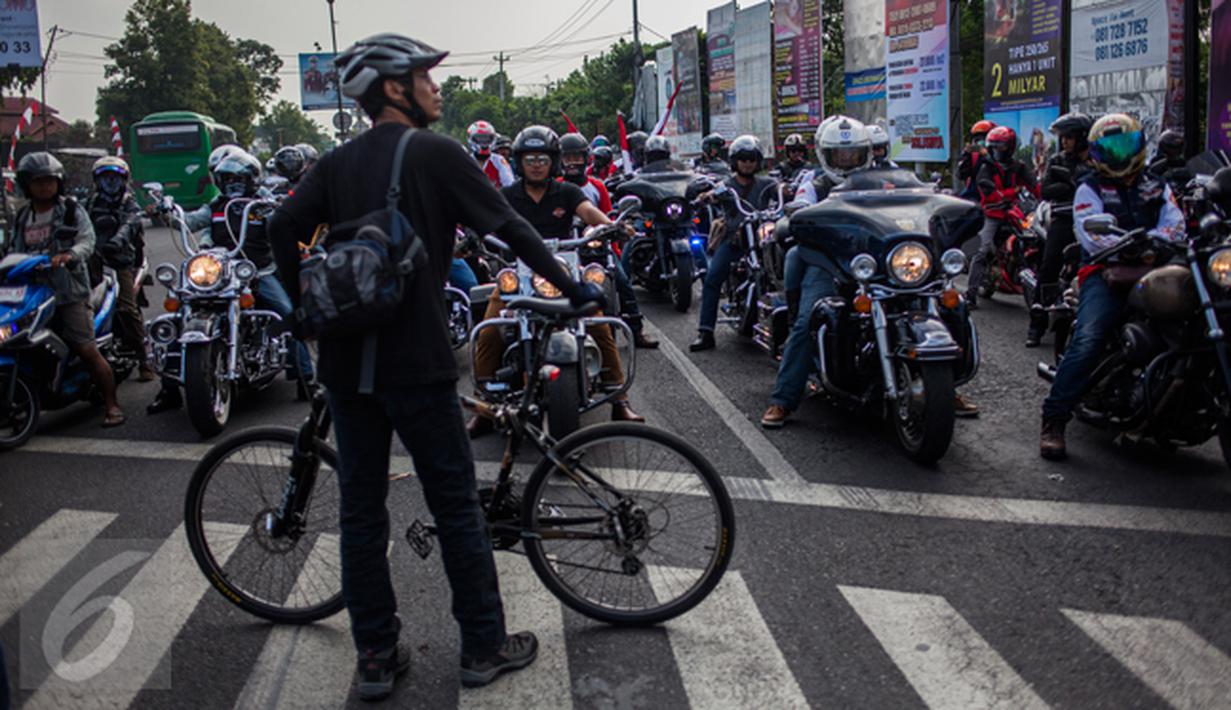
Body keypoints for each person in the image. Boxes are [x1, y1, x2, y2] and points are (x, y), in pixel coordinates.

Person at [270, 34, 604, 700]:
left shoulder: (334, 163)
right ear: (394, 89)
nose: (436, 88)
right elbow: (509, 227)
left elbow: (282, 229)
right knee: (454, 507)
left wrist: (302, 309)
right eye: (425, 78)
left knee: (361, 514)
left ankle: (374, 657)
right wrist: (571, 288)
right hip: (417, 362)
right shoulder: (436, 153)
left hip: (346, 367)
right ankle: (482, 646)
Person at [470, 124, 645, 435]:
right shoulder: (507, 195)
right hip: (520, 273)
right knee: (490, 329)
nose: (536, 165)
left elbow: (588, 211)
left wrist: (612, 226)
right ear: (519, 162)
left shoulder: (567, 192)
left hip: (563, 271)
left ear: (553, 161)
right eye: (530, 159)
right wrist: (472, 233)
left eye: (542, 159)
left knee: (599, 322)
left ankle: (619, 399)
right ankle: (483, 406)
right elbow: (485, 218)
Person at [1039, 113, 1185, 460]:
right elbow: (1091, 233)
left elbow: (1175, 224)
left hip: (1159, 269)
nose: (1119, 155)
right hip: (1106, 272)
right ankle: (1054, 419)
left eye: (1125, 146)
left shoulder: (1157, 185)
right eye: (1111, 148)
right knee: (1090, 336)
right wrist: (1136, 245)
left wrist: (1157, 242)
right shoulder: (1089, 188)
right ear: (1097, 153)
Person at [148, 149, 316, 413]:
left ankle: (306, 378)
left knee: (286, 312)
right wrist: (168, 213)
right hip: (219, 272)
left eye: (239, 179)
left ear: (252, 179)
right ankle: (169, 388)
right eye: (227, 179)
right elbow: (191, 221)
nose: (233, 184)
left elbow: (284, 222)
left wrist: (283, 211)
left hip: (258, 270)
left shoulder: (263, 202)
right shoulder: (216, 206)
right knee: (178, 315)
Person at [761, 117, 873, 427]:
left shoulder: (877, 181)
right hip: (829, 263)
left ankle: (946, 386)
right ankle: (783, 399)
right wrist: (797, 212)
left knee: (927, 302)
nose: (847, 161)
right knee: (807, 321)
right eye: (840, 155)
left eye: (853, 154)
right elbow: (799, 206)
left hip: (874, 264)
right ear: (826, 155)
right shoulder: (814, 183)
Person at [3, 153, 124, 426]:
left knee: (85, 348)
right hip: (32, 293)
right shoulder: (23, 215)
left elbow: (87, 240)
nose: (44, 186)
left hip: (69, 292)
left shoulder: (70, 209)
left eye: (50, 181)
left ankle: (112, 405)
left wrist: (69, 255)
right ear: (26, 184)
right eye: (38, 182)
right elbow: (14, 249)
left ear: (59, 182)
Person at [559, 132, 658, 349]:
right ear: (560, 159)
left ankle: (636, 330)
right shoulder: (554, 186)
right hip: (565, 247)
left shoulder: (597, 186)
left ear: (586, 158)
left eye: (577, 157)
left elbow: (608, 217)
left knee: (622, 280)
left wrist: (618, 235)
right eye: (568, 157)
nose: (573, 162)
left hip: (596, 244)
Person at [689, 134, 779, 351]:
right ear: (734, 161)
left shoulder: (767, 184)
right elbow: (713, 193)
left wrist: (790, 190)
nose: (747, 163)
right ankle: (705, 332)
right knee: (712, 279)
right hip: (734, 240)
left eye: (751, 159)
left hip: (762, 240)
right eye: (743, 159)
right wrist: (707, 196)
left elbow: (783, 191)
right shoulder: (727, 185)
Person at [85, 156, 156, 381]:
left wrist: (117, 241)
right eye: (105, 177)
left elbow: (130, 224)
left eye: (114, 177)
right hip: (92, 261)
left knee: (127, 308)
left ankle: (145, 358)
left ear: (124, 179)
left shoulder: (129, 203)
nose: (110, 182)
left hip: (121, 262)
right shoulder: (89, 204)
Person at [1028, 112, 1093, 347]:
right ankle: (1036, 325)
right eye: (1063, 137)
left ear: (1082, 137)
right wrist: (1071, 184)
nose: (1065, 142)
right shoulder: (1057, 160)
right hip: (1064, 218)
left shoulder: (1096, 159)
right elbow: (1046, 191)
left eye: (1069, 137)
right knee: (1049, 267)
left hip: (1090, 220)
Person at [966, 125, 1038, 308]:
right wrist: (1011, 192)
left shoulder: (1018, 167)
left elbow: (1034, 185)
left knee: (1035, 236)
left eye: (1001, 146)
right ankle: (970, 295)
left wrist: (1046, 197)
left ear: (1010, 147)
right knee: (981, 251)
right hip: (992, 213)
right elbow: (989, 192)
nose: (996, 150)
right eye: (994, 146)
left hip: (1013, 211)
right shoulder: (987, 167)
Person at [1146, 129, 1194, 196]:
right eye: (1173, 148)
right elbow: (1150, 180)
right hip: (1166, 196)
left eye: (1177, 148)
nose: (1175, 151)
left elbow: (1196, 175)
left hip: (1185, 194)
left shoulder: (1187, 164)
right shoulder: (1157, 166)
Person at [958, 120, 996, 200]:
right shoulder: (973, 155)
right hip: (975, 193)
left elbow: (1002, 169)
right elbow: (961, 175)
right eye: (977, 139)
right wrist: (966, 155)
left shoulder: (1000, 153)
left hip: (995, 192)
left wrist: (987, 155)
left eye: (983, 138)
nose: (979, 142)